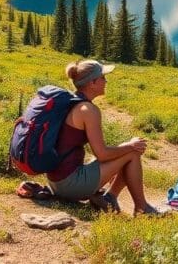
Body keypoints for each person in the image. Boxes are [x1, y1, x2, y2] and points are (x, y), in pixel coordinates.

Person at [47, 60, 159, 215]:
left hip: (56, 181)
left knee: (125, 150)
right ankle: (142, 208)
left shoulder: (71, 101)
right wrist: (131, 146)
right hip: (69, 185)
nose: (106, 81)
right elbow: (102, 154)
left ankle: (110, 198)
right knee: (132, 153)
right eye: (103, 77)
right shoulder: (88, 110)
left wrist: (125, 147)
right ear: (92, 82)